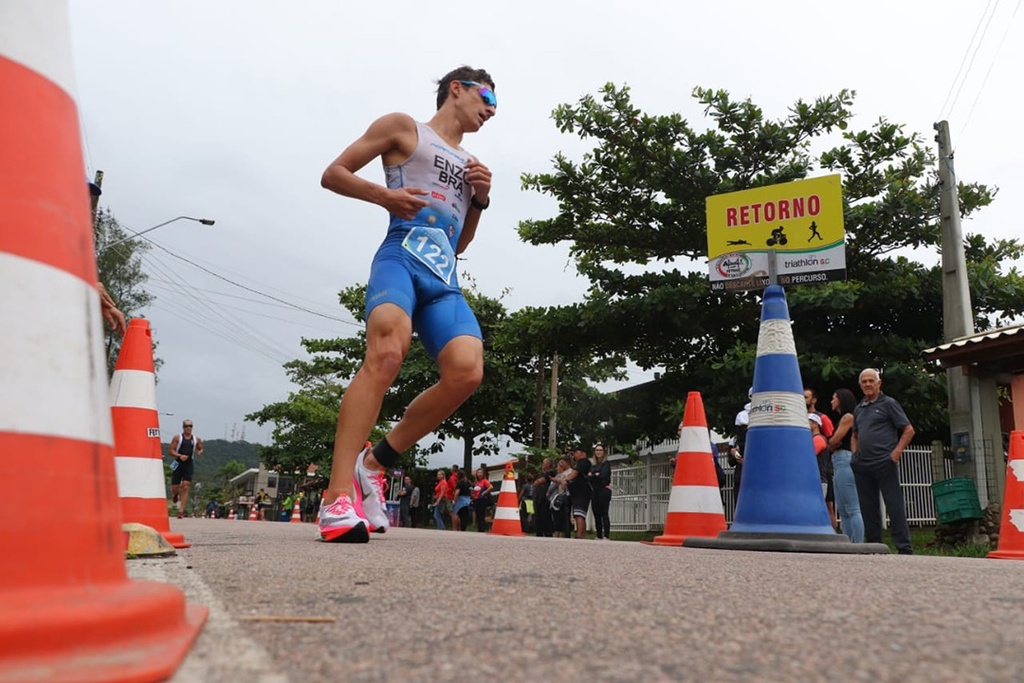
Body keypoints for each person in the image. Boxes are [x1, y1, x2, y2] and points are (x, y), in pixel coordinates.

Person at [316, 66, 497, 543]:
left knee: (467, 370)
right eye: (486, 95)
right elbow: (332, 174)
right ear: (455, 89)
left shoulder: (470, 163)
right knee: (388, 352)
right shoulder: (403, 128)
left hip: (443, 274)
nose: (491, 108)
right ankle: (337, 498)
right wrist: (384, 195)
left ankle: (372, 464)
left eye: (495, 105)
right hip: (400, 256)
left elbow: (457, 245)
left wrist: (479, 198)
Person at [851, 368, 915, 554]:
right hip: (863, 463)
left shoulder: (888, 404)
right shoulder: (859, 408)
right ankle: (874, 546)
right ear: (860, 385)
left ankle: (904, 548)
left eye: (872, 380)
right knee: (868, 506)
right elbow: (854, 435)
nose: (868, 384)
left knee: (894, 504)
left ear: (879, 383)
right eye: (864, 381)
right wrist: (855, 456)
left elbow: (908, 429)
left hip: (883, 461)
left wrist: (896, 453)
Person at [829, 388, 864, 543]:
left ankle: (857, 542)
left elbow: (833, 441)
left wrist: (831, 443)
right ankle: (848, 541)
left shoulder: (847, 417)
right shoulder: (844, 419)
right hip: (839, 461)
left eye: (834, 398)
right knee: (843, 509)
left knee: (852, 507)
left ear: (841, 400)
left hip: (844, 458)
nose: (831, 401)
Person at [168, 420, 203, 519]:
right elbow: (170, 450)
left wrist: (200, 452)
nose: (188, 428)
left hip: (188, 464)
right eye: (186, 426)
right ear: (183, 427)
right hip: (177, 463)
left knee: (186, 486)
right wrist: (179, 455)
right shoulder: (177, 438)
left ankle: (181, 511)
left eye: (190, 426)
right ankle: (175, 495)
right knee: (175, 487)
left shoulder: (196, 439)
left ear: (192, 427)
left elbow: (200, 448)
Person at [809, 413, 836, 529]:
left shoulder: (818, 439)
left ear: (815, 424)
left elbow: (809, 455)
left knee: (818, 507)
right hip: (818, 479)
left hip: (819, 479)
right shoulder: (816, 439)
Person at [564, 445, 593, 539]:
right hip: (578, 492)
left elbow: (575, 473)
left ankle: (580, 534)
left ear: (581, 453)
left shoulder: (584, 462)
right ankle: (581, 534)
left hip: (581, 492)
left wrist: (566, 479)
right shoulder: (580, 462)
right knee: (578, 514)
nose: (574, 455)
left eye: (575, 453)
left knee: (579, 513)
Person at [587, 444, 612, 540]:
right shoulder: (593, 465)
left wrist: (595, 475)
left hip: (604, 490)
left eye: (601, 450)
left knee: (604, 513)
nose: (599, 452)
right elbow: (589, 477)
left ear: (604, 452)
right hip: (595, 490)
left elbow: (603, 476)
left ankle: (606, 535)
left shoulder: (606, 464)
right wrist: (595, 474)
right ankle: (598, 535)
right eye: (597, 450)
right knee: (596, 513)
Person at [532, 458, 555, 538]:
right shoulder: (542, 473)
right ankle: (539, 532)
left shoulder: (550, 473)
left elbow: (539, 481)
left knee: (545, 516)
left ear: (548, 464)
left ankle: (547, 532)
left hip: (545, 499)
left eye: (544, 463)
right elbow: (535, 483)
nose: (542, 465)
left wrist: (537, 482)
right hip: (538, 497)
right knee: (538, 516)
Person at [473, 467, 493, 532]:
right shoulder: (477, 482)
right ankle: (479, 528)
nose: (479, 474)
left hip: (482, 499)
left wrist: (485, 492)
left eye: (481, 473)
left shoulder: (484, 481)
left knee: (481, 514)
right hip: (476, 499)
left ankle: (482, 528)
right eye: (478, 473)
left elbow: (491, 487)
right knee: (478, 514)